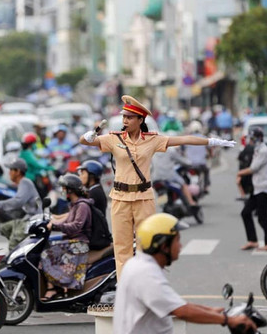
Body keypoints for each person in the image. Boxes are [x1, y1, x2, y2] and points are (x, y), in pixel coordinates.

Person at [79, 95, 235, 279]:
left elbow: (183, 140)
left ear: (140, 120)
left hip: (144, 198)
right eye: (124, 117)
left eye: (129, 117)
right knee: (122, 248)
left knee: (148, 244)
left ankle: (147, 283)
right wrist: (88, 136)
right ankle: (125, 288)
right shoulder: (114, 139)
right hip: (120, 198)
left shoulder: (152, 140)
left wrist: (212, 141)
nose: (125, 121)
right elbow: (85, 141)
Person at [114, 213, 256, 334]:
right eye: (177, 240)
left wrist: (210, 310)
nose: (181, 246)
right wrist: (228, 320)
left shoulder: (139, 265)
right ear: (164, 246)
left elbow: (173, 304)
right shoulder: (145, 274)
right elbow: (181, 311)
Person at [39, 174, 92, 300]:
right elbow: (66, 220)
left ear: (70, 190)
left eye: (64, 188)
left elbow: (76, 226)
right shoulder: (75, 205)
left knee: (46, 254)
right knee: (46, 247)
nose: (62, 191)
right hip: (72, 240)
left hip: (79, 243)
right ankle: (57, 286)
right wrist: (51, 221)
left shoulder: (82, 206)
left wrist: (55, 227)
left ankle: (52, 288)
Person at [237, 128, 267, 251]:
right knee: (246, 213)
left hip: (263, 187)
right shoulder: (258, 149)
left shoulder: (263, 151)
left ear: (258, 138)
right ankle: (253, 241)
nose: (250, 140)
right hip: (257, 187)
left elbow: (253, 168)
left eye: (252, 138)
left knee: (262, 216)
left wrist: (239, 173)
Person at [184, 120, 211, 194]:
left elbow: (182, 150)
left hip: (189, 164)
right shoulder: (204, 138)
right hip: (201, 164)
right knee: (206, 171)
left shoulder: (187, 138)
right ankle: (206, 187)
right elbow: (209, 149)